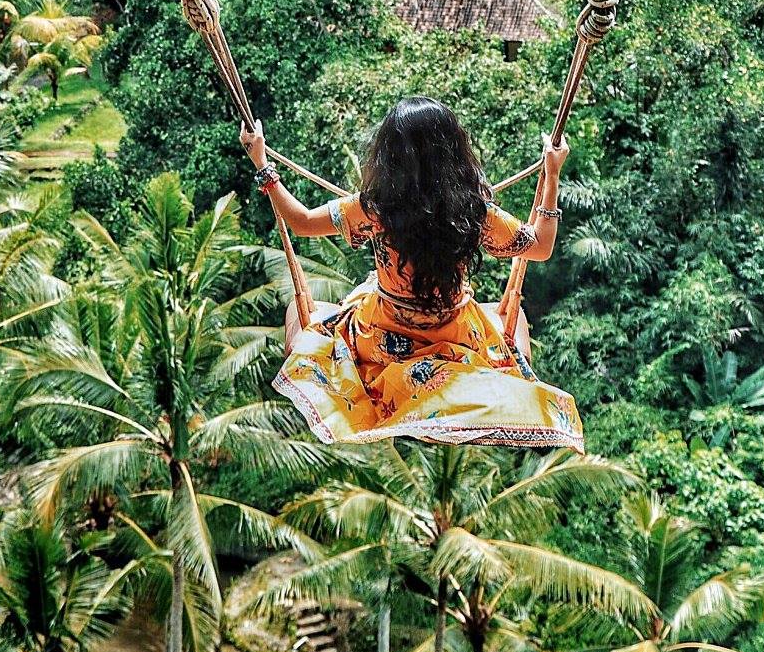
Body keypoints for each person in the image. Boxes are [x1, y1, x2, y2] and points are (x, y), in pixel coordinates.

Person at [243, 96, 582, 449]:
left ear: (389, 155)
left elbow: (300, 222)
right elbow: (540, 247)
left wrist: (263, 166)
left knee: (302, 320)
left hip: (382, 342)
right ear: (454, 152)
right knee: (514, 318)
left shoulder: (375, 207)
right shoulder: (472, 211)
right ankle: (505, 382)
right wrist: (552, 175)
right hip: (455, 339)